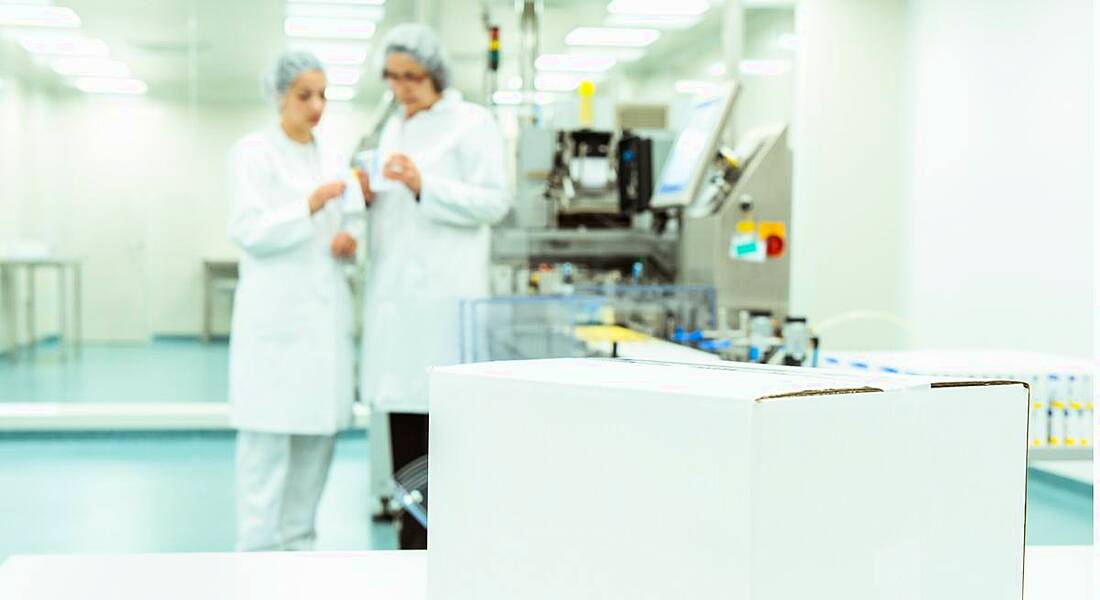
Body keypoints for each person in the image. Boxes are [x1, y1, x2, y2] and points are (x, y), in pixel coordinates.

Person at [359, 24, 510, 549]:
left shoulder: (472, 124)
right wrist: (369, 195)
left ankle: (444, 549)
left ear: (436, 75)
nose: (401, 89)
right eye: (393, 78)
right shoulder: (394, 128)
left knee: (447, 438)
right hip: (397, 309)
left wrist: (426, 184)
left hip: (446, 309)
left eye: (412, 77)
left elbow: (494, 202)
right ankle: (410, 538)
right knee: (405, 435)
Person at [227, 50, 368, 552]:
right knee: (265, 449)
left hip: (323, 324)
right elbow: (248, 230)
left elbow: (349, 223)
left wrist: (349, 239)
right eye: (305, 95)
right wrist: (306, 206)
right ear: (279, 97)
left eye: (323, 95)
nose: (316, 106)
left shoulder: (331, 156)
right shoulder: (254, 152)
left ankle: (299, 548)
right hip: (275, 323)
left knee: (317, 441)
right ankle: (257, 554)